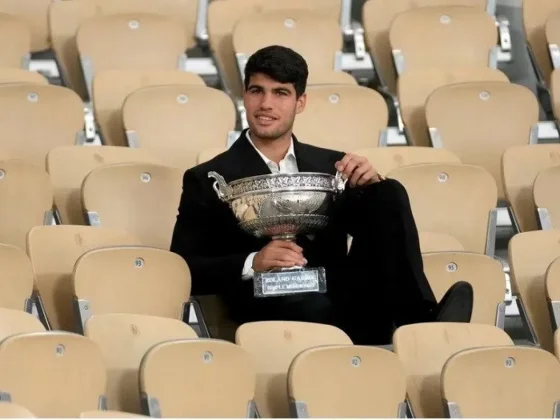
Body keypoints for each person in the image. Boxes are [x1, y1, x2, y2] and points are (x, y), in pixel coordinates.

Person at [170, 45, 473, 345]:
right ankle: (398, 331)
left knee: (388, 192)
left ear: (300, 102)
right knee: (329, 309)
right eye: (256, 91)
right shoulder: (208, 178)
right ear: (244, 96)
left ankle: (421, 321)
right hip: (267, 299)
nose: (266, 104)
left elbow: (380, 232)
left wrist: (371, 184)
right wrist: (254, 261)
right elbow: (183, 269)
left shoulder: (332, 165)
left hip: (337, 287)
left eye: (281, 93)